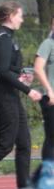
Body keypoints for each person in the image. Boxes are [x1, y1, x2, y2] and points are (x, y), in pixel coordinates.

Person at [0, 2, 42, 188]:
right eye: (19, 15)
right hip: (3, 98)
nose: (22, 19)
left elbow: (6, 69)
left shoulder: (8, 38)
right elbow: (2, 72)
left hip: (11, 96)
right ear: (11, 16)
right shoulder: (3, 38)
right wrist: (28, 90)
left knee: (24, 144)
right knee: (4, 146)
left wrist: (20, 76)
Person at [34, 16, 54, 160]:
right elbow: (38, 68)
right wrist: (49, 90)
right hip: (51, 98)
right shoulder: (48, 43)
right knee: (52, 138)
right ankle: (47, 175)